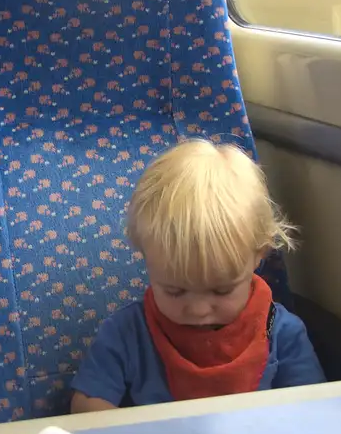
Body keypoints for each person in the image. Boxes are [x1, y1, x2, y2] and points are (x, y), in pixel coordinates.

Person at [69, 139, 324, 413]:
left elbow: (311, 412)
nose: (199, 310)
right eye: (175, 291)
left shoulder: (281, 333)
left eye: (222, 291)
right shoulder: (127, 332)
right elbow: (87, 404)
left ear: (259, 255)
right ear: (146, 259)